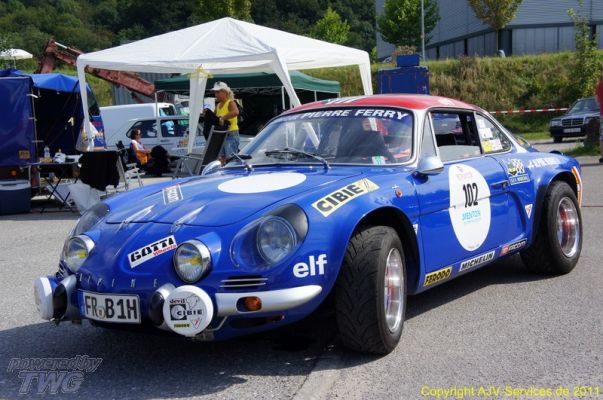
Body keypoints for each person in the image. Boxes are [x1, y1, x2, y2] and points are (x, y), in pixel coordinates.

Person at [209, 81, 240, 164]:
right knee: (221, 158)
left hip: (231, 133)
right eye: (215, 92)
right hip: (221, 134)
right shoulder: (218, 105)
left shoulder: (231, 102)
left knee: (230, 159)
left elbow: (236, 112)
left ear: (225, 92)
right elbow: (214, 118)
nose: (215, 94)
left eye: (218, 92)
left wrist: (222, 118)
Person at [596, 72, 603, 163]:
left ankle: (602, 157)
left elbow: (597, 100)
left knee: (602, 136)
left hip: (602, 113)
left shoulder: (599, 85)